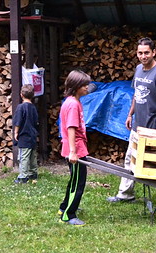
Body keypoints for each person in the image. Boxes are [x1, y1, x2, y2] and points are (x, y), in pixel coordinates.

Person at [106, 37, 156, 213]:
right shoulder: (138, 70)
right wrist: (130, 114)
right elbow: (136, 94)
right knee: (130, 160)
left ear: (153, 53)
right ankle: (125, 194)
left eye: (146, 52)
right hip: (138, 125)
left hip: (155, 126)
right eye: (140, 53)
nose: (143, 56)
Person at [58, 70, 91, 226]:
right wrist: (73, 152)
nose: (87, 87)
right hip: (75, 149)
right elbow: (71, 128)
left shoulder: (72, 101)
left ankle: (64, 206)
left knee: (74, 181)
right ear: (76, 86)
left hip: (78, 148)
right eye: (84, 85)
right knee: (78, 183)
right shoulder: (72, 104)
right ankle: (68, 214)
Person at [12, 84, 39, 184]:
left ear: (21, 94)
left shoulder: (21, 107)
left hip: (24, 135)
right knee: (32, 156)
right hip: (32, 135)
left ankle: (23, 177)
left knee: (24, 156)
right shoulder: (33, 108)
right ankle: (33, 173)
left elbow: (18, 121)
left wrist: (16, 132)